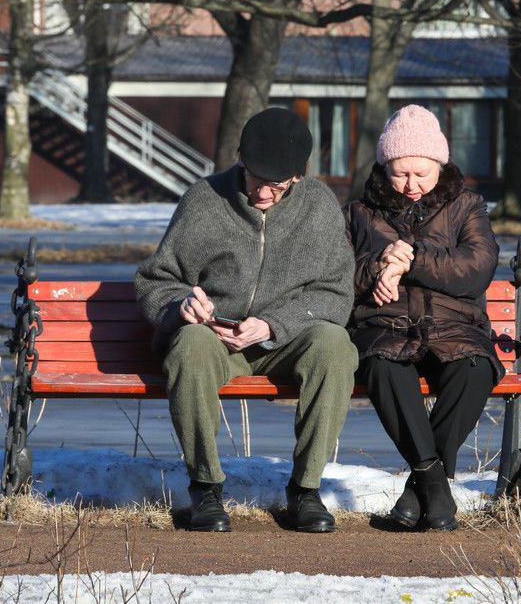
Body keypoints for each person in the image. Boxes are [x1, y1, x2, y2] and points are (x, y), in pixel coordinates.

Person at [135, 107, 357, 534]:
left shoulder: (319, 205)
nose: (263, 194)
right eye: (256, 180)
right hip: (216, 340)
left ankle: (306, 490)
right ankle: (205, 487)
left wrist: (274, 324)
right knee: (190, 346)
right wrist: (182, 304)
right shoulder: (205, 198)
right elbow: (155, 280)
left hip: (287, 341)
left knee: (335, 347)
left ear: (297, 177)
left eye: (277, 185)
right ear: (240, 160)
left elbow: (335, 292)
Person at [343, 105, 503, 531]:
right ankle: (434, 481)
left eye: (422, 173)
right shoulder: (359, 213)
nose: (411, 185)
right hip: (386, 325)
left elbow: (478, 265)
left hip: (454, 325)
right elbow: (336, 272)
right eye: (400, 174)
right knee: (381, 364)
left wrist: (411, 259)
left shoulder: (467, 206)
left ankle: (418, 490)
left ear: (440, 165)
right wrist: (377, 265)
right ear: (384, 167)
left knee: (475, 369)